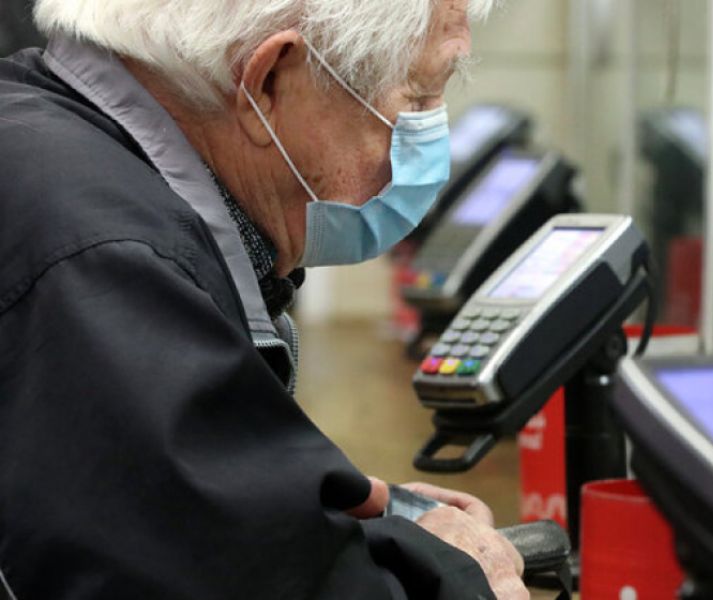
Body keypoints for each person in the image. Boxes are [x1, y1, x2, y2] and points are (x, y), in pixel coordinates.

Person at [0, 0, 529, 598]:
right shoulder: (109, 262)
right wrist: (458, 575)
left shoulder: (40, 136)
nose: (433, 142)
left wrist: (296, 497)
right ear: (271, 81)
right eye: (419, 97)